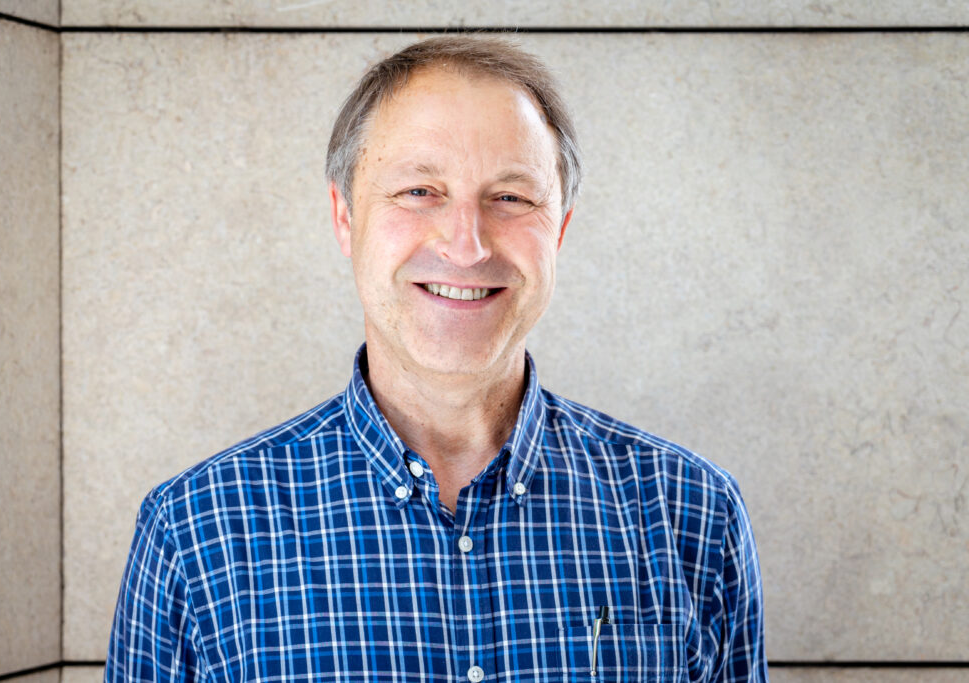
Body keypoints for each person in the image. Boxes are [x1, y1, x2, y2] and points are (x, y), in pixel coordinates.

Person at [106, 36, 767, 682]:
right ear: (345, 217)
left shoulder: (691, 512)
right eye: (420, 190)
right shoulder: (194, 533)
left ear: (560, 230)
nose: (466, 245)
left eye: (511, 197)